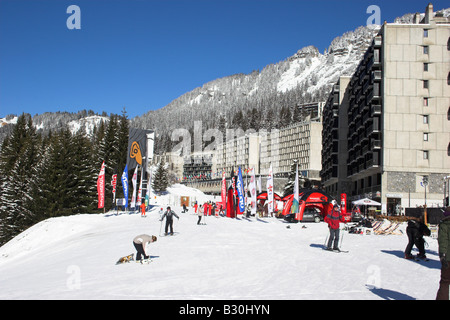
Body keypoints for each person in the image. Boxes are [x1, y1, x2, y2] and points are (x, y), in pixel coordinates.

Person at [436, 207, 450, 300]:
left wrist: (442, 255)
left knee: (445, 281)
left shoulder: (445, 224)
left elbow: (443, 240)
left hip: (448, 259)